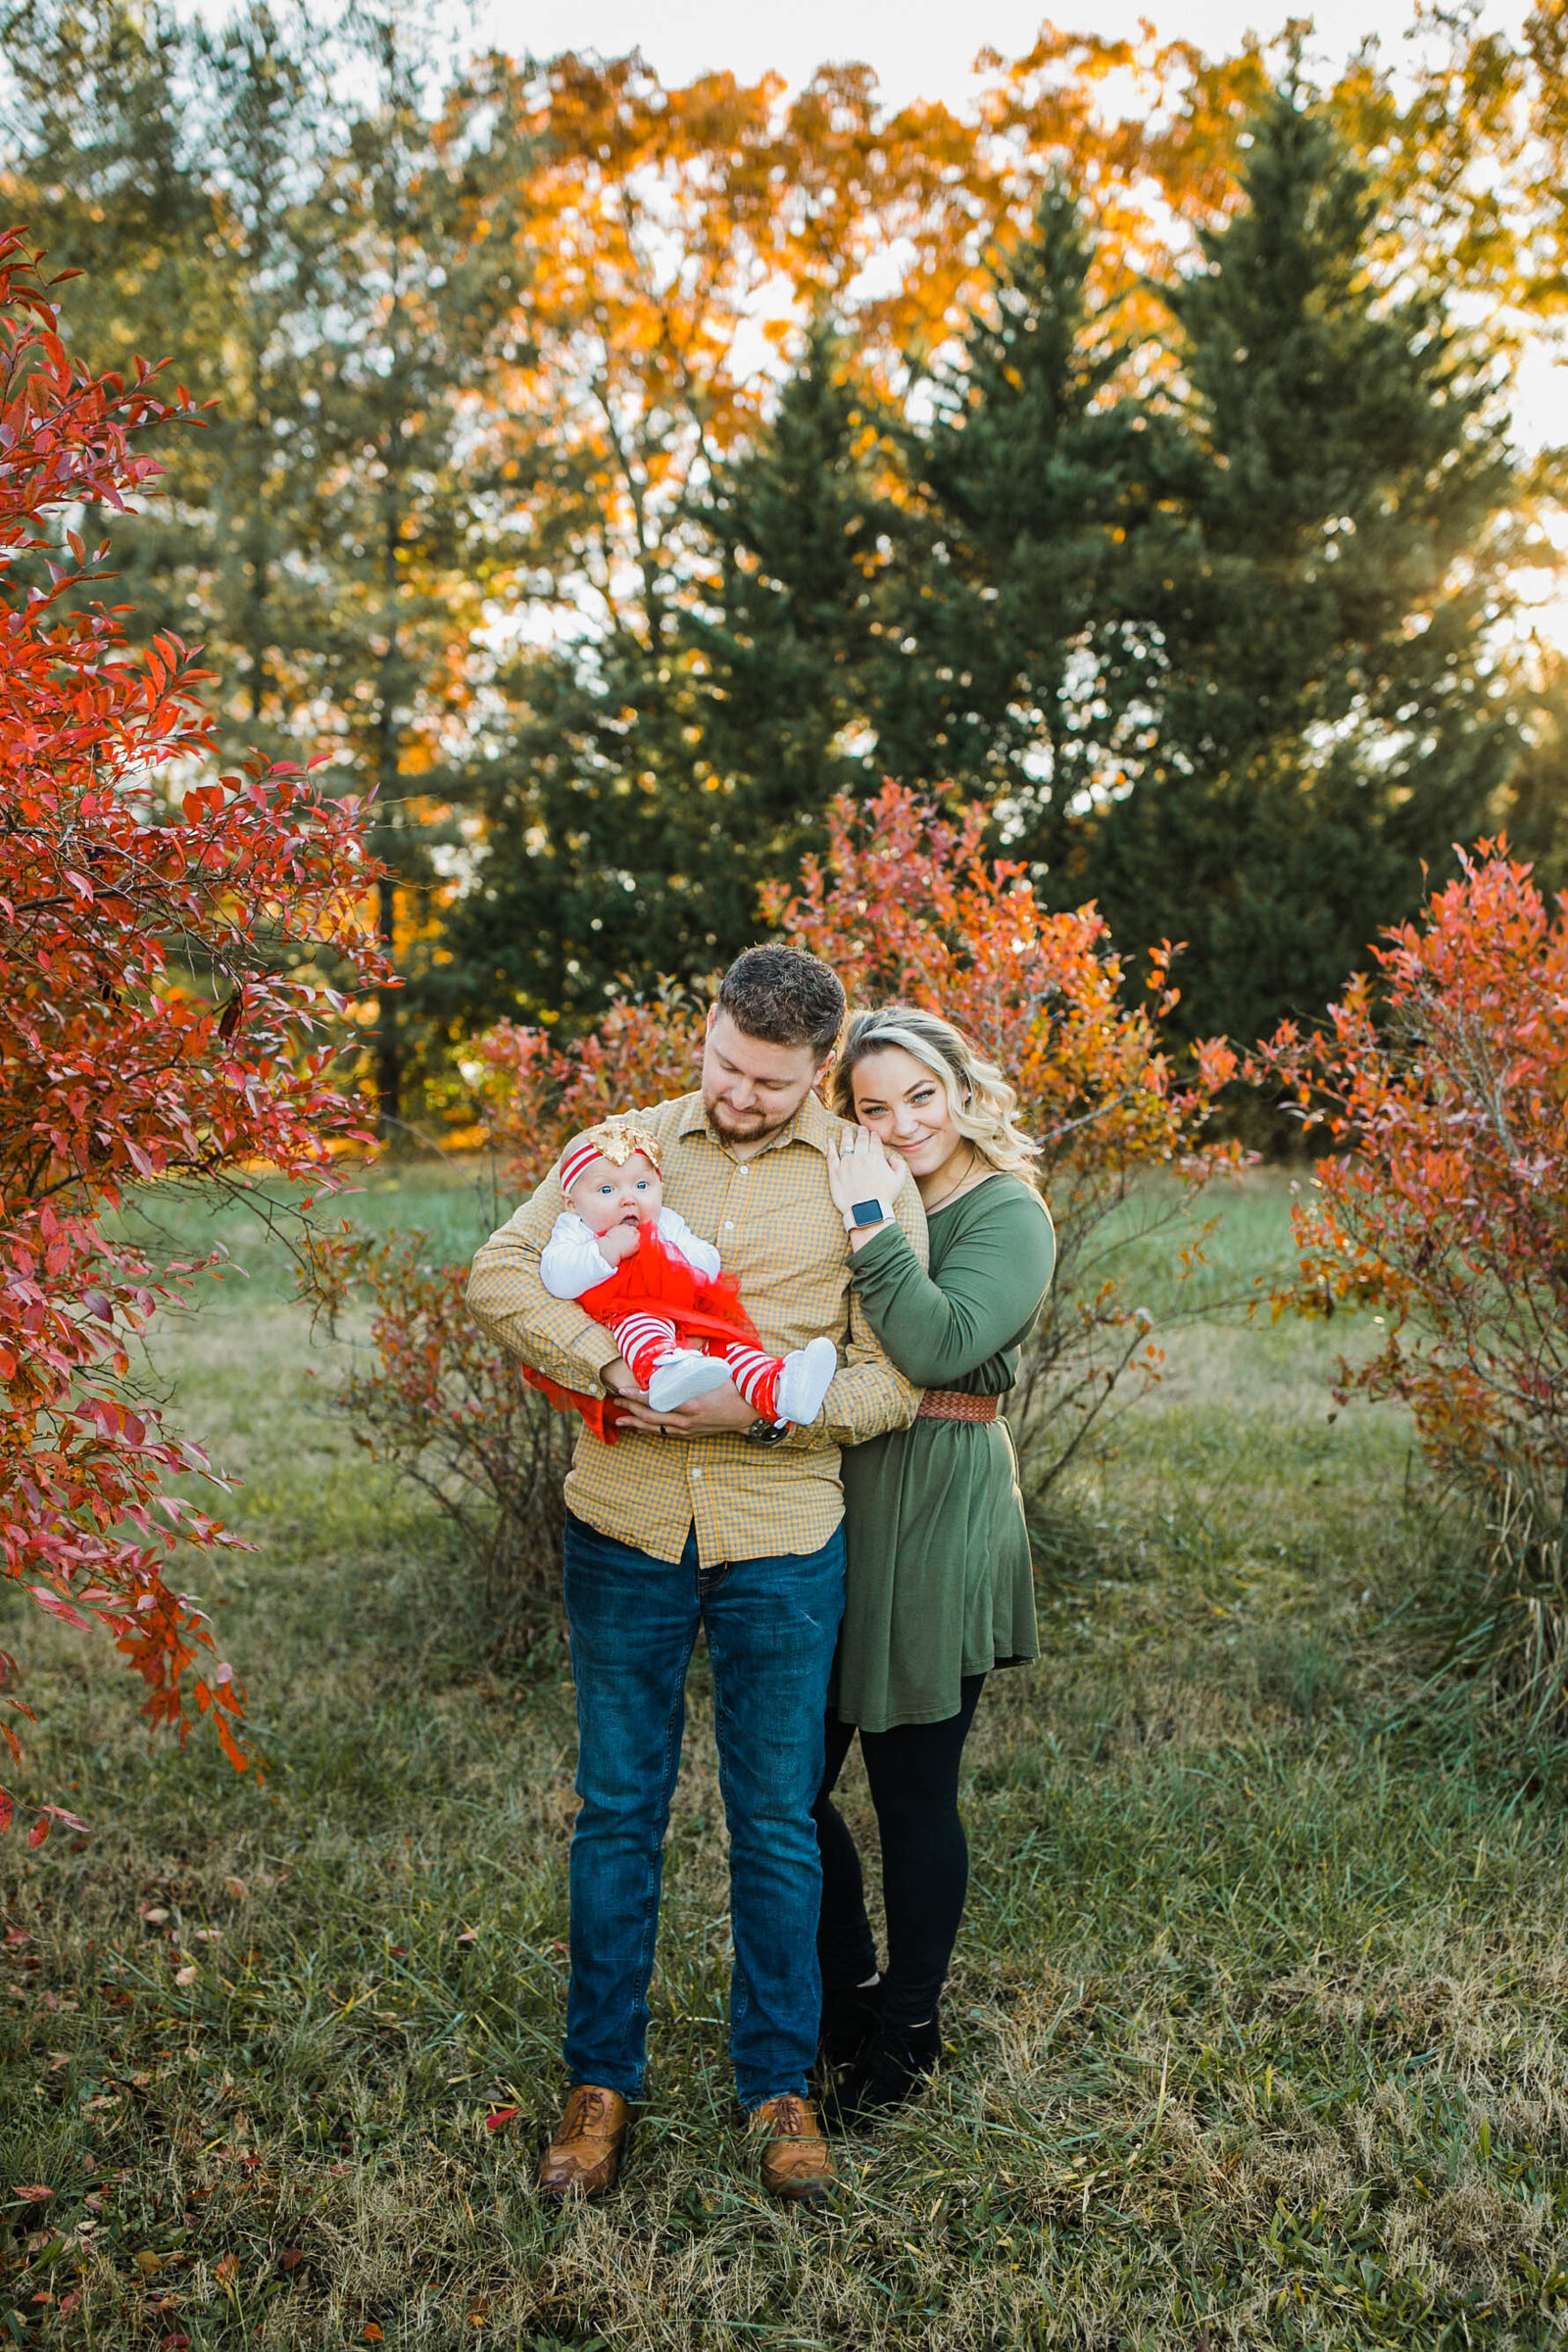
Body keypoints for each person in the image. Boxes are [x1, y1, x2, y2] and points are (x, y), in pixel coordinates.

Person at [466, 946, 927, 2204]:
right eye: (725, 1064)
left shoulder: (865, 1180)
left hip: (781, 1540)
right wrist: (617, 1370)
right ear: (706, 1033)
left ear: (817, 1073)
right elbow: (499, 1274)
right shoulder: (620, 1144)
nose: (737, 1094)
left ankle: (777, 2086)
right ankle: (598, 2081)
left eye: (769, 1083)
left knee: (775, 1820)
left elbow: (892, 1377)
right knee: (617, 1808)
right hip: (620, 1527)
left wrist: (757, 1413)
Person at [813, 1004, 1055, 2122]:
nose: (902, 1122)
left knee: (912, 1795)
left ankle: (910, 2027)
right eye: (873, 1107)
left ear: (961, 1089)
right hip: (828, 1496)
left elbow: (936, 1343)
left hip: (939, 1501)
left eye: (920, 1095)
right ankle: (846, 1989)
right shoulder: (834, 1185)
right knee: (786, 1787)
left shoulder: (1008, 1211)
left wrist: (868, 1215)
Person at [535, 1119, 838, 1423]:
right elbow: (556, 1278)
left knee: (729, 1346)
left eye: (642, 1186)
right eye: (606, 1189)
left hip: (689, 1320)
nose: (629, 1198)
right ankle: (664, 1370)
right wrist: (605, 1251)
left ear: (659, 1187)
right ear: (572, 1204)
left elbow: (708, 1261)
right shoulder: (575, 1230)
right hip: (624, 1313)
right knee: (641, 1322)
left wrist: (672, 1254)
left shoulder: (666, 1224)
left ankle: (780, 1389)